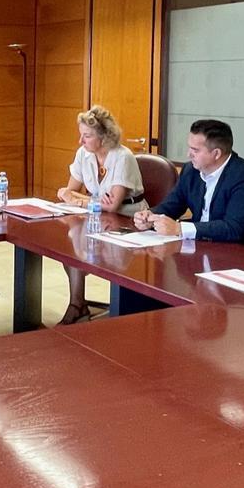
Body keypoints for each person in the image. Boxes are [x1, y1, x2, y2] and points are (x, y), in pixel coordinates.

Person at [55, 105, 148, 325]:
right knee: (71, 247)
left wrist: (84, 200)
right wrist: (90, 201)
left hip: (130, 219)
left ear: (104, 137)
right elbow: (68, 193)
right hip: (99, 217)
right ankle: (77, 304)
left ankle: (79, 307)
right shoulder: (84, 154)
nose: (81, 141)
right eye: (81, 135)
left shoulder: (121, 157)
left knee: (94, 249)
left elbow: (114, 205)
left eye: (87, 136)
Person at [132, 119, 244, 244]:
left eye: (195, 150)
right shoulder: (190, 170)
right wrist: (150, 216)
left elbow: (234, 228)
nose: (188, 154)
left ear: (216, 153)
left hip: (237, 252)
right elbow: (172, 205)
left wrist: (179, 228)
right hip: (199, 245)